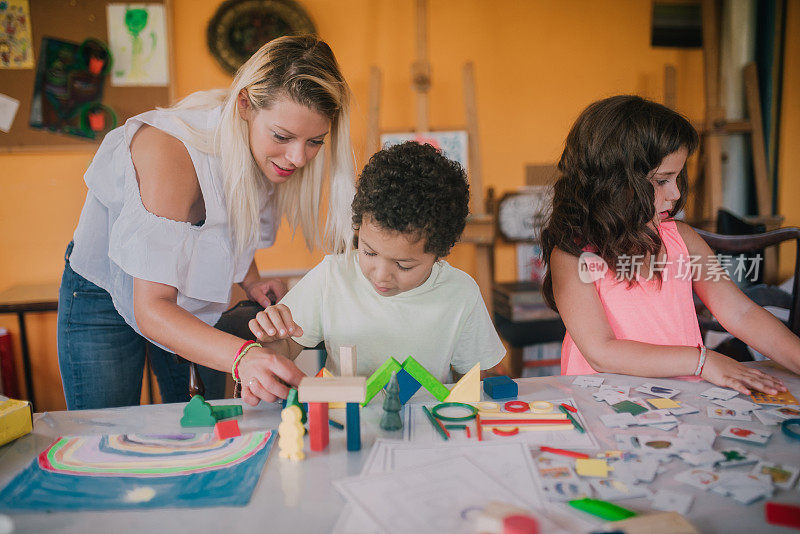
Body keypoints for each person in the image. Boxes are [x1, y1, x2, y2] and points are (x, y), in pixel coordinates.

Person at [57, 36, 355, 409]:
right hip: (105, 289)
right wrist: (242, 357)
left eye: (314, 142)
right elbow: (151, 307)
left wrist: (251, 282)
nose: (297, 157)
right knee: (105, 428)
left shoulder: (265, 150)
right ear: (245, 104)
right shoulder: (172, 152)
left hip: (176, 298)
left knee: (197, 421)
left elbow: (232, 225)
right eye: (283, 136)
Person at [541, 95, 800, 395]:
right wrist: (702, 362)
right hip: (604, 405)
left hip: (683, 401)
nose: (676, 193)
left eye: (677, 177)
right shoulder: (573, 256)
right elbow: (601, 351)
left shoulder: (682, 239)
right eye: (663, 180)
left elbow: (740, 313)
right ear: (614, 183)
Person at [245, 142, 504, 403]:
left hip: (426, 431)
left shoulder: (460, 293)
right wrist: (271, 342)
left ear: (439, 253)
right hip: (348, 426)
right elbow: (285, 346)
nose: (380, 276)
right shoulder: (332, 276)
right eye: (368, 252)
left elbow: (480, 378)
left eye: (403, 265)